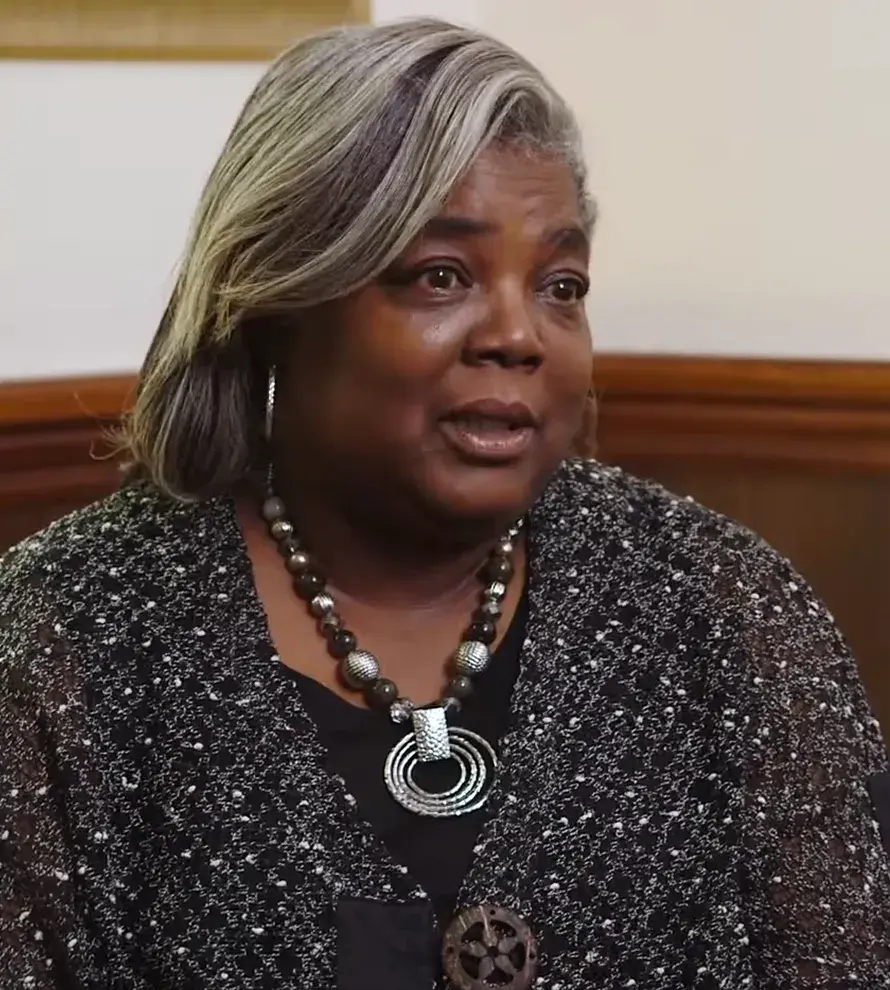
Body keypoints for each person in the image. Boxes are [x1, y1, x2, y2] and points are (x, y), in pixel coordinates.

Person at [1, 17, 889, 990]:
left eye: (560, 284)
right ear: (276, 303)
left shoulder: (727, 613)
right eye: (440, 275)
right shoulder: (62, 645)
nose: (519, 335)